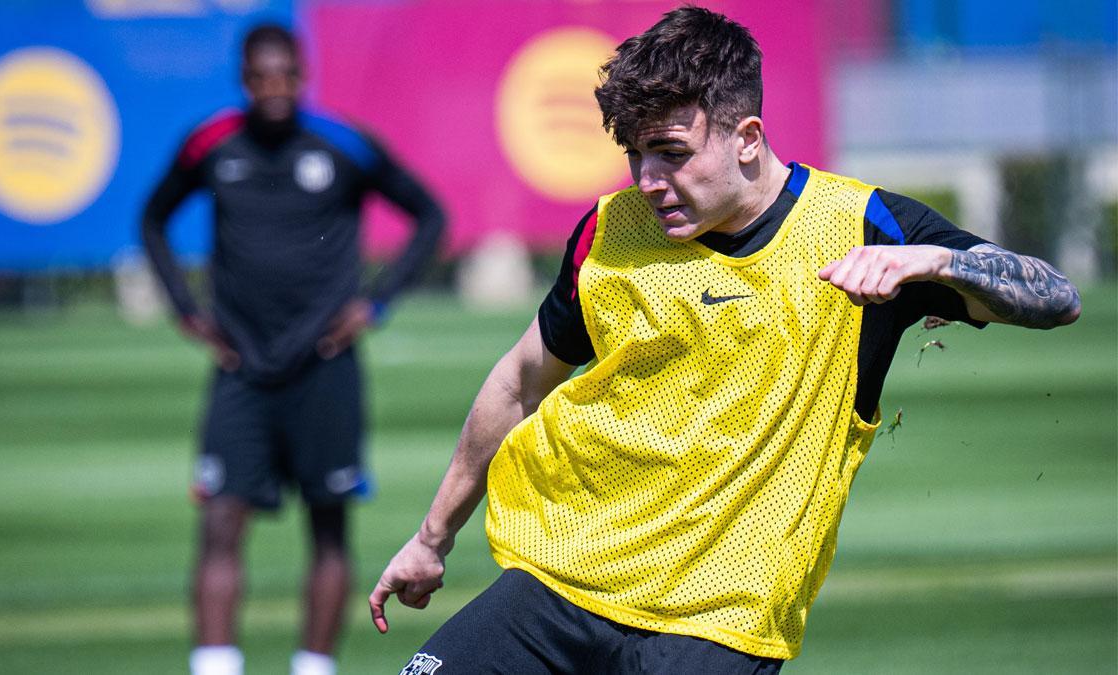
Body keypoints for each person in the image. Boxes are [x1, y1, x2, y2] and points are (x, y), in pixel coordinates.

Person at [369, 7, 1080, 674]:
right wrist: (432, 539)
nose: (649, 181)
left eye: (671, 153)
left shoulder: (866, 229)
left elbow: (1055, 297)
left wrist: (936, 261)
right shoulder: (609, 232)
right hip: (565, 577)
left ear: (746, 138)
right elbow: (520, 381)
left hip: (716, 620)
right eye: (636, 154)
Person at [140, 23, 445, 675]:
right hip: (240, 367)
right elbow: (153, 216)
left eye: (286, 76)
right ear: (243, 81)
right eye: (260, 78)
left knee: (329, 528)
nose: (274, 89)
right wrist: (187, 311)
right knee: (221, 523)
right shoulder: (212, 143)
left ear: (303, 77)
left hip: (324, 366)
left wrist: (376, 301)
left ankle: (314, 667)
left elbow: (429, 215)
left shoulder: (340, 145)